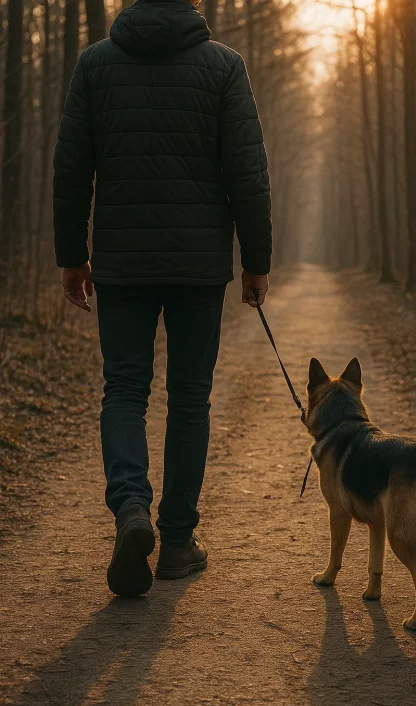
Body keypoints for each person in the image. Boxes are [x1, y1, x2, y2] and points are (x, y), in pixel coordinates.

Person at [53, 0, 272, 597]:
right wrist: (256, 262)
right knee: (190, 398)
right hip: (199, 267)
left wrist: (72, 255)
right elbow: (247, 171)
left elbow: (71, 167)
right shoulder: (223, 66)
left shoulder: (96, 65)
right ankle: (176, 543)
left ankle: (130, 508)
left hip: (122, 264)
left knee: (124, 387)